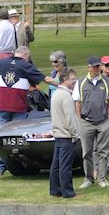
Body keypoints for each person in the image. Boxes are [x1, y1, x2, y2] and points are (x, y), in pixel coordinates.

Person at [0, 46, 47, 175]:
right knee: (18, 138)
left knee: (0, 137)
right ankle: (20, 163)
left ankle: (0, 166)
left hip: (2, 106)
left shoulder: (1, 63)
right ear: (25, 55)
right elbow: (43, 80)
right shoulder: (25, 66)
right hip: (18, 107)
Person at [74, 55, 109, 189]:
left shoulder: (107, 81)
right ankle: (89, 178)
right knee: (87, 151)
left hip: (103, 121)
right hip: (86, 121)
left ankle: (102, 178)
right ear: (89, 67)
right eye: (94, 66)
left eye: (98, 66)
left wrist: (108, 118)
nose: (97, 69)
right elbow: (78, 102)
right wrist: (79, 119)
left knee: (103, 151)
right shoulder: (80, 82)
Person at [49, 69, 79, 198]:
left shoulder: (55, 93)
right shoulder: (66, 96)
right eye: (73, 79)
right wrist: (75, 134)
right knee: (65, 166)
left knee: (56, 165)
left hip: (58, 134)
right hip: (66, 135)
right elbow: (70, 118)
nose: (75, 81)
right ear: (65, 79)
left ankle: (55, 190)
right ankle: (68, 192)